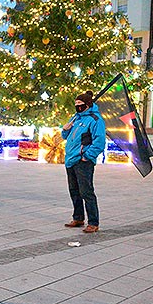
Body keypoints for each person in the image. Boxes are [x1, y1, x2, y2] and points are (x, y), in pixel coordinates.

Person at [61, 90, 106, 233]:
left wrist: (86, 155)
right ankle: (78, 217)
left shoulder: (95, 120)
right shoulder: (76, 117)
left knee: (86, 191)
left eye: (80, 104)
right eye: (76, 104)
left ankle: (93, 222)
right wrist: (64, 130)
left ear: (87, 104)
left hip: (83, 161)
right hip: (71, 159)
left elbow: (99, 142)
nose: (77, 107)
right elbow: (66, 136)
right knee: (74, 190)